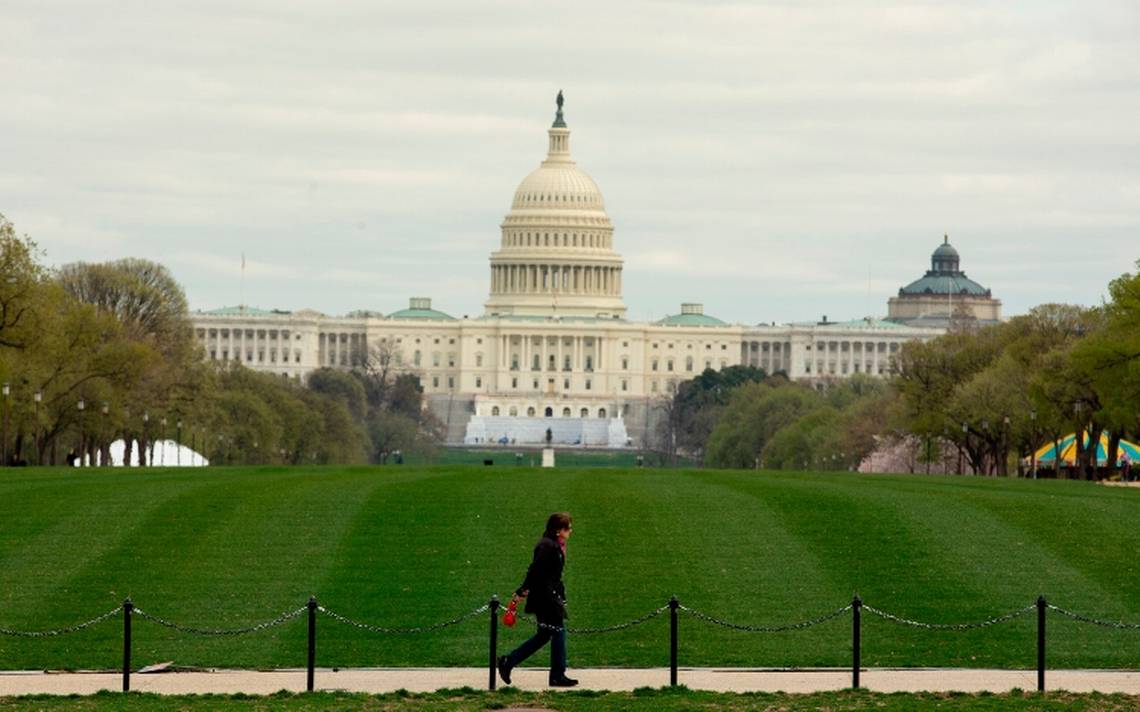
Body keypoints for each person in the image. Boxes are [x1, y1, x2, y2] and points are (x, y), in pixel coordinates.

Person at [497, 512, 577, 687]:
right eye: (567, 528)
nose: (570, 531)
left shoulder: (554, 545)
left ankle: (508, 661)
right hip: (544, 598)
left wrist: (562, 596)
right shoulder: (547, 547)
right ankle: (557, 675)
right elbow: (535, 571)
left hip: (548, 596)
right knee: (558, 632)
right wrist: (522, 590)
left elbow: (554, 576)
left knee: (544, 635)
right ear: (558, 530)